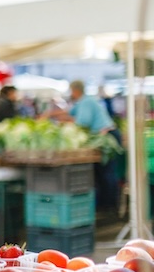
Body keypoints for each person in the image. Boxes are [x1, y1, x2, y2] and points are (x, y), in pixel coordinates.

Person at [45, 79, 121, 210]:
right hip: (103, 136)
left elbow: (82, 123)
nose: (71, 94)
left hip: (107, 136)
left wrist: (63, 124)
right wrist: (49, 114)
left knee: (106, 171)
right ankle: (104, 203)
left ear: (75, 91)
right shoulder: (82, 102)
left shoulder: (86, 102)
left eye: (71, 91)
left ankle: (109, 205)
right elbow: (69, 112)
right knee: (102, 172)